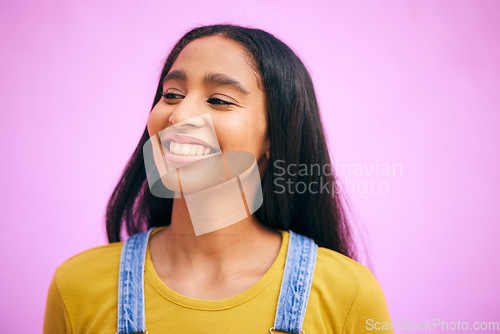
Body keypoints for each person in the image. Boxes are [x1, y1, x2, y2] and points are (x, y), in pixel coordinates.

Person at [43, 24, 393, 333]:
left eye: (219, 100)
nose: (180, 115)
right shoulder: (76, 286)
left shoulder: (348, 294)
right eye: (172, 94)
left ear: (275, 137)